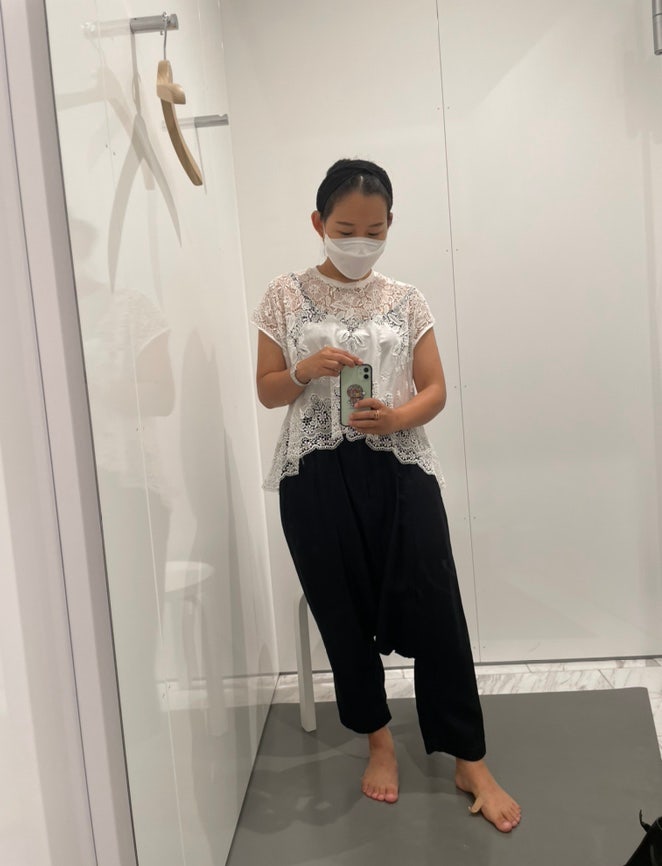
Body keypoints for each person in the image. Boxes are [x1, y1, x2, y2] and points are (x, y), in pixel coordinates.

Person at [252, 158, 522, 833]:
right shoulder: (284, 294)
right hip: (314, 474)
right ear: (318, 223)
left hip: (400, 466)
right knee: (340, 610)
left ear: (390, 226)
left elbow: (435, 389)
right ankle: (377, 741)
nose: (360, 241)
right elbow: (267, 390)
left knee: (436, 604)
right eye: (346, 229)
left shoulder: (407, 299)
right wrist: (304, 370)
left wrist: (397, 417)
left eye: (374, 231)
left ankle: (469, 756)